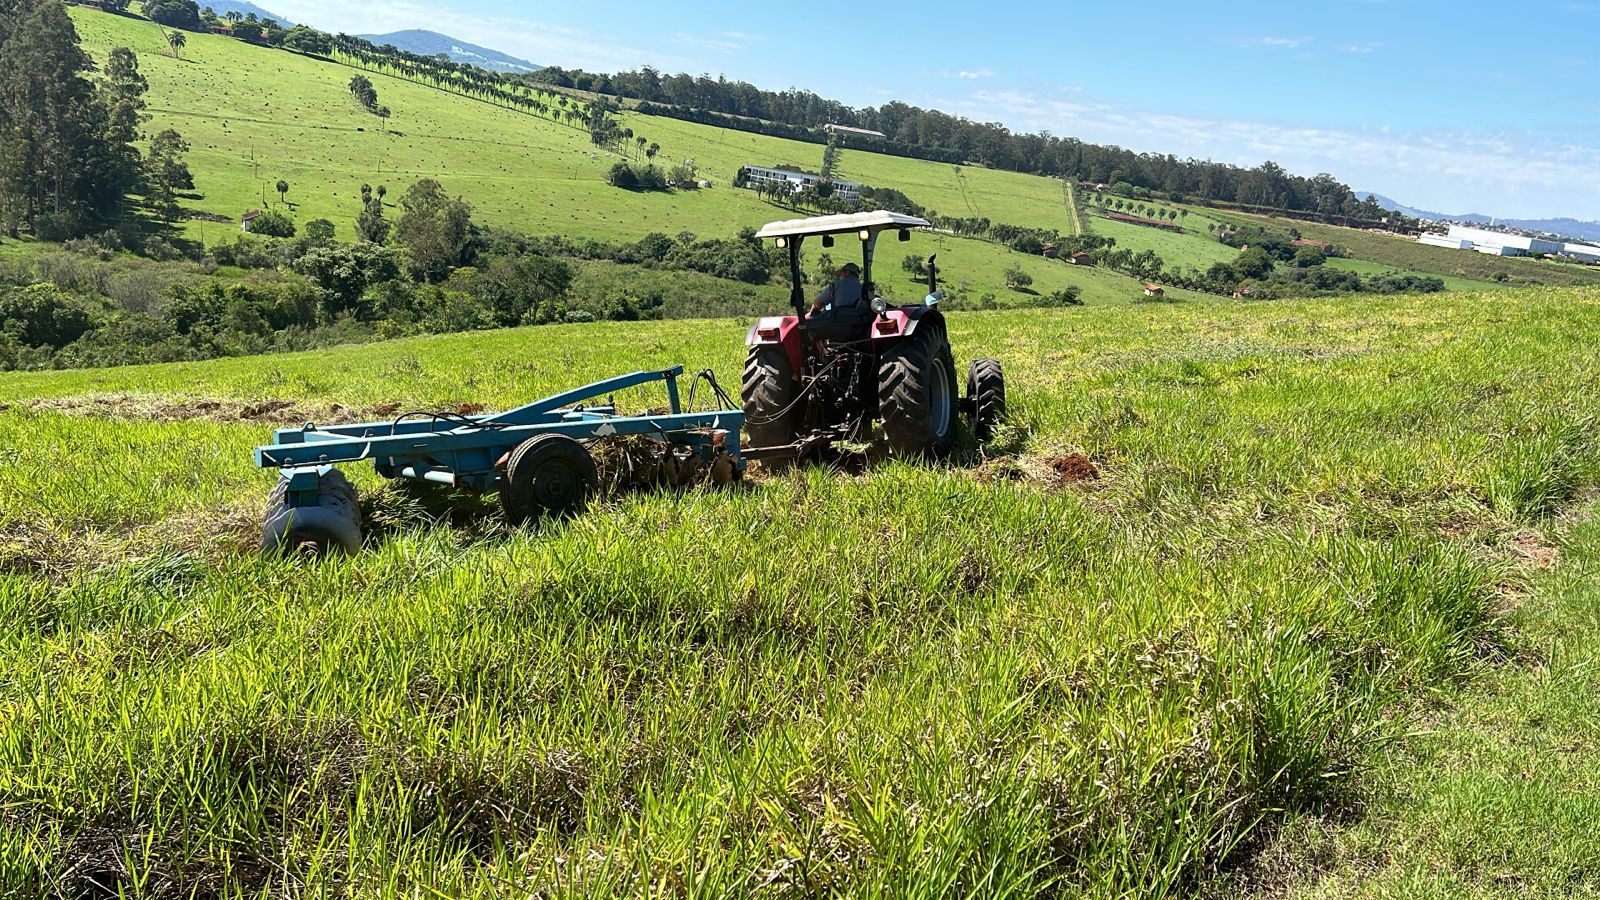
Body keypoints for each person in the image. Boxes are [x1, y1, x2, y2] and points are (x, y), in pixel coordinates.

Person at [805, 262, 871, 339]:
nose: (839, 277)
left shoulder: (836, 285)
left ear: (846, 272)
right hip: (860, 328)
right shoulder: (865, 290)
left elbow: (818, 304)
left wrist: (810, 313)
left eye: (841, 274)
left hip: (839, 325)